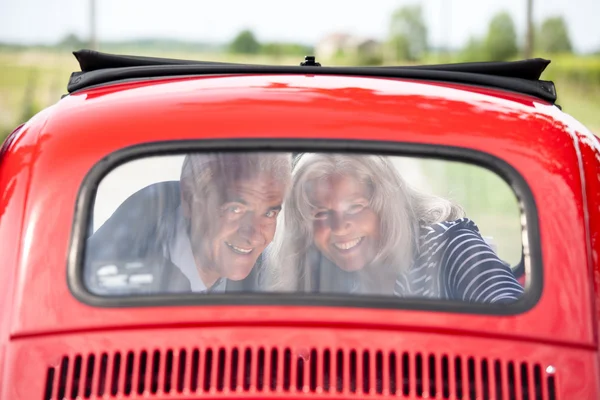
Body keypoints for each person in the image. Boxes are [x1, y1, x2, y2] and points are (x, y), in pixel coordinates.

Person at [265, 153, 524, 303]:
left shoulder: (451, 246)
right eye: (321, 213)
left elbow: (515, 319)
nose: (340, 226)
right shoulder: (323, 273)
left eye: (356, 207)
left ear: (385, 205)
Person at [85, 152, 292, 294]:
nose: (255, 235)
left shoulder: (270, 274)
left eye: (269, 213)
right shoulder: (124, 282)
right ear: (190, 199)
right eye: (235, 209)